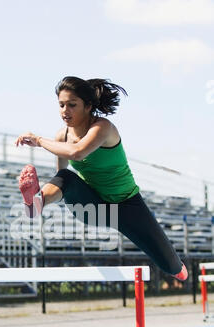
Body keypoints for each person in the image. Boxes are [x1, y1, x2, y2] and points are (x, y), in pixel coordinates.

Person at [15, 76, 188, 281]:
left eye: (72, 105)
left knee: (171, 265)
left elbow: (77, 153)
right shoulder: (62, 137)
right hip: (93, 206)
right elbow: (61, 176)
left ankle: (179, 269)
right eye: (61, 105)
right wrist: (47, 189)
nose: (65, 111)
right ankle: (35, 203)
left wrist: (40, 140)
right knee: (65, 177)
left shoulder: (103, 128)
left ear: (88, 106)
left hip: (127, 206)